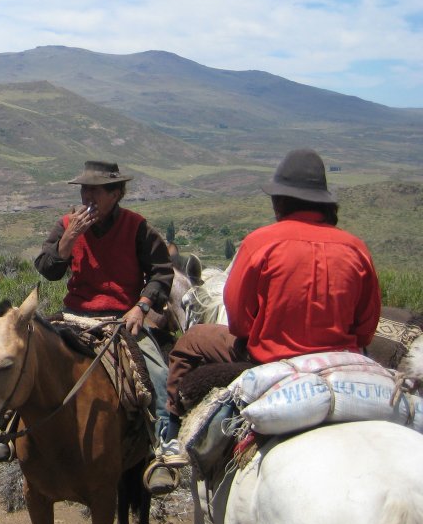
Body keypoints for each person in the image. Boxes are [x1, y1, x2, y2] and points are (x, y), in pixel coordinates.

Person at [146, 148, 382, 494]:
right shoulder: (356, 248)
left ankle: (171, 440)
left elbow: (239, 319)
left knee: (190, 342)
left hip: (271, 357)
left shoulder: (260, 242)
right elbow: (367, 326)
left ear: (281, 202)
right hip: (343, 358)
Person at [0, 160, 176, 493]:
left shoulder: (137, 228)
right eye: (84, 189)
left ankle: (163, 450)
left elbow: (161, 273)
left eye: (96, 190)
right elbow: (48, 269)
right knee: (25, 358)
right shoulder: (66, 224)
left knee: (158, 373)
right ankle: (3, 429)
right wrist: (68, 240)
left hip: (122, 318)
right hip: (73, 315)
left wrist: (141, 307)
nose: (88, 195)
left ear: (116, 193)